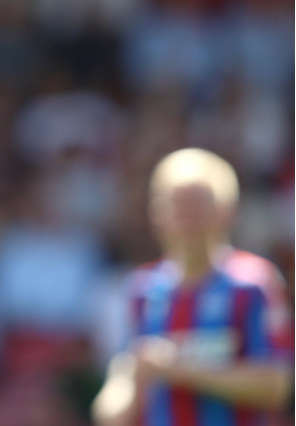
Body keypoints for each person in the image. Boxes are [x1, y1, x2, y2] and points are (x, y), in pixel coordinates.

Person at [92, 148, 292, 426]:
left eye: (196, 204)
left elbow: (277, 385)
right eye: (175, 205)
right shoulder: (141, 291)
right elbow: (113, 404)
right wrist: (130, 387)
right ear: (156, 214)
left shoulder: (254, 283)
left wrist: (178, 369)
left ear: (227, 211)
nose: (185, 217)